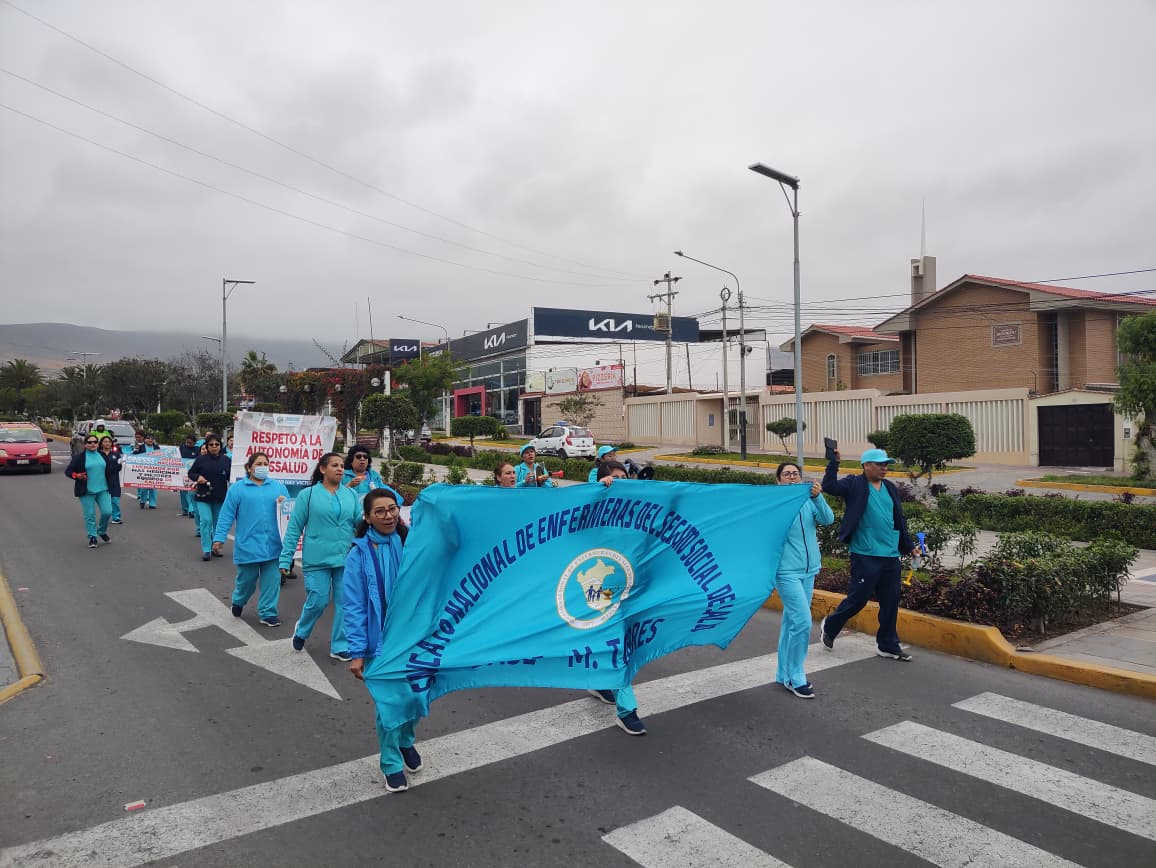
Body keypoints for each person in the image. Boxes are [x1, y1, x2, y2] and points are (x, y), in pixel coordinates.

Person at [343, 486, 422, 793]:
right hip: (380, 643)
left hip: (413, 637)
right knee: (390, 703)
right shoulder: (358, 555)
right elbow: (353, 606)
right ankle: (390, 762)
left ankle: (405, 740)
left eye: (392, 509)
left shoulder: (413, 543)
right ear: (367, 517)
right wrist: (357, 652)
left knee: (416, 696)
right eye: (380, 511)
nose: (388, 516)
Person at [820, 448, 919, 661]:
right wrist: (833, 463)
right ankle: (830, 626)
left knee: (890, 601)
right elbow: (829, 487)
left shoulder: (890, 487)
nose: (884, 468)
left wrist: (909, 546)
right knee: (858, 599)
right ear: (866, 466)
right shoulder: (854, 483)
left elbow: (899, 519)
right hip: (865, 553)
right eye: (880, 464)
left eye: (886, 465)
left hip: (890, 554)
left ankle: (888, 645)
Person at [279, 452, 360, 660]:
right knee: (318, 600)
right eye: (335, 465)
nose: (340, 469)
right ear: (323, 469)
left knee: (346, 602)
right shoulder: (308, 495)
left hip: (345, 557)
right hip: (317, 558)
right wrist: (286, 558)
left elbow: (359, 522)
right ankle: (302, 630)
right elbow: (294, 528)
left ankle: (340, 645)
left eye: (342, 465)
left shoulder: (351, 495)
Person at [585, 460, 646, 735]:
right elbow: (574, 519)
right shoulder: (594, 507)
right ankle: (626, 709)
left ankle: (599, 681)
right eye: (615, 478)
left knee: (616, 641)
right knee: (618, 644)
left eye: (625, 477)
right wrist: (596, 492)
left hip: (628, 586)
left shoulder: (633, 507)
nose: (621, 482)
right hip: (598, 586)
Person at [772, 462, 835, 698]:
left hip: (809, 570)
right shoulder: (775, 504)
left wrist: (818, 498)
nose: (792, 477)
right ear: (778, 480)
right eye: (786, 474)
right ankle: (795, 675)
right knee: (802, 622)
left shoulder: (808, 500)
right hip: (786, 572)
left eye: (795, 474)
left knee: (791, 621)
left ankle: (783, 673)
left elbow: (828, 519)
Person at [213, 451, 290, 627]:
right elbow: (226, 515)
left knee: (272, 581)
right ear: (249, 467)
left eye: (266, 464)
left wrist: (284, 502)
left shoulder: (278, 487)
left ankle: (268, 613)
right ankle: (238, 600)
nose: (263, 467)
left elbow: (290, 512)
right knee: (246, 582)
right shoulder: (237, 489)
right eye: (259, 464)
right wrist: (219, 538)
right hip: (248, 545)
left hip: (274, 545)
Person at [65, 432, 119, 548]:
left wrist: (120, 466)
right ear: (85, 445)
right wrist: (77, 475)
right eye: (90, 442)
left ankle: (102, 531)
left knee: (107, 512)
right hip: (86, 491)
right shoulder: (79, 458)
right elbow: (68, 471)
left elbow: (109, 470)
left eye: (95, 442)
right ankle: (92, 537)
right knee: (90, 515)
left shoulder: (102, 455)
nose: (93, 444)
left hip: (103, 490)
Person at [188, 435, 231, 561]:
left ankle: (216, 547)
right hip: (203, 496)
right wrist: (198, 477)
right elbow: (191, 473)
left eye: (216, 444)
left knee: (218, 523)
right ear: (207, 446)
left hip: (220, 497)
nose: (214, 447)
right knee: (206, 521)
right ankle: (206, 549)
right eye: (211, 444)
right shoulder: (201, 460)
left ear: (220, 446)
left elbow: (231, 477)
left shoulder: (226, 460)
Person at [98, 436, 125, 526]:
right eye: (105, 441)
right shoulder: (97, 454)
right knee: (103, 501)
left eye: (109, 442)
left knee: (115, 499)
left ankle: (116, 517)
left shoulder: (116, 454)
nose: (107, 443)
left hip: (114, 480)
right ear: (101, 443)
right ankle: (105, 516)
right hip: (101, 480)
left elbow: (121, 466)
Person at [134, 431, 160, 509]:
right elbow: (134, 456)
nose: (150, 440)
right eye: (148, 438)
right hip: (143, 470)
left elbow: (161, 458)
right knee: (144, 488)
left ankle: (152, 503)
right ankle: (142, 501)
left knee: (153, 487)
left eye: (152, 438)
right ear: (144, 439)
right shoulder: (140, 447)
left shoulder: (157, 447)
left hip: (154, 470)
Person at [178, 434, 199, 517]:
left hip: (193, 473)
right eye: (187, 442)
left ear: (194, 442)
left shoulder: (197, 449)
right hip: (182, 472)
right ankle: (185, 509)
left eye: (190, 443)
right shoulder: (181, 448)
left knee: (191, 491)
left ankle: (191, 510)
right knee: (183, 491)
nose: (188, 444)